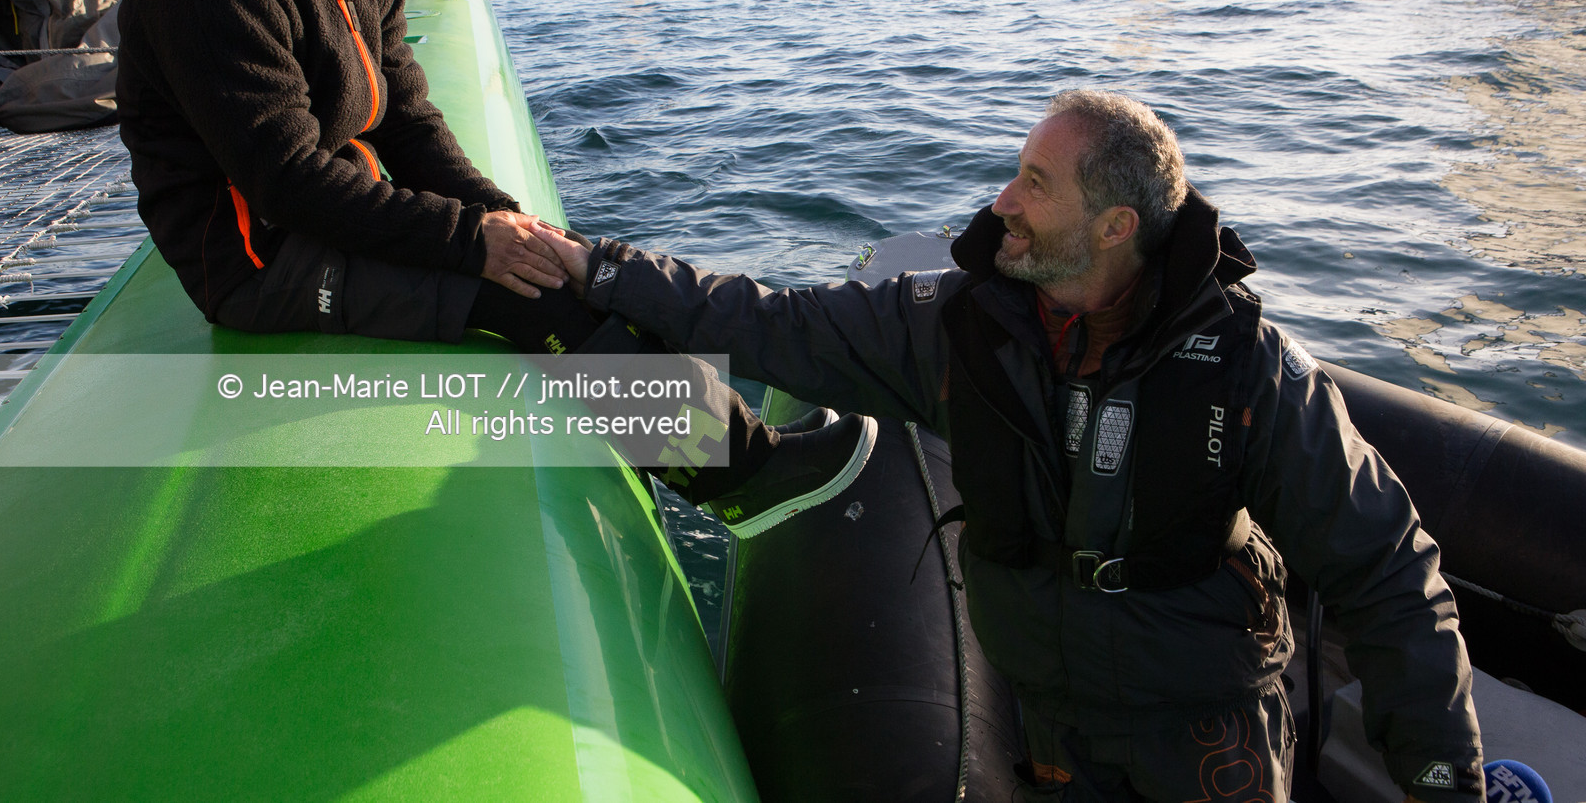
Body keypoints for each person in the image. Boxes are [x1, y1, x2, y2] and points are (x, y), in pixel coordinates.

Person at [538, 90, 1485, 803]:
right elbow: (774, 323)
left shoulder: (1249, 373)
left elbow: (1391, 573)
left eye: (1036, 182)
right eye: (1015, 169)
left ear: (1116, 227)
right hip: (1047, 722)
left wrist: (1444, 781)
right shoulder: (960, 325)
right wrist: (602, 267)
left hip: (1202, 730)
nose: (1002, 203)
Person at [115, 0, 874, 535]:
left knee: (570, 258)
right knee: (519, 294)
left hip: (340, 206)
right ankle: (742, 478)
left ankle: (725, 426)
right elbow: (284, 179)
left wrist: (511, 219)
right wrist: (474, 243)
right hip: (258, 257)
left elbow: (410, 125)